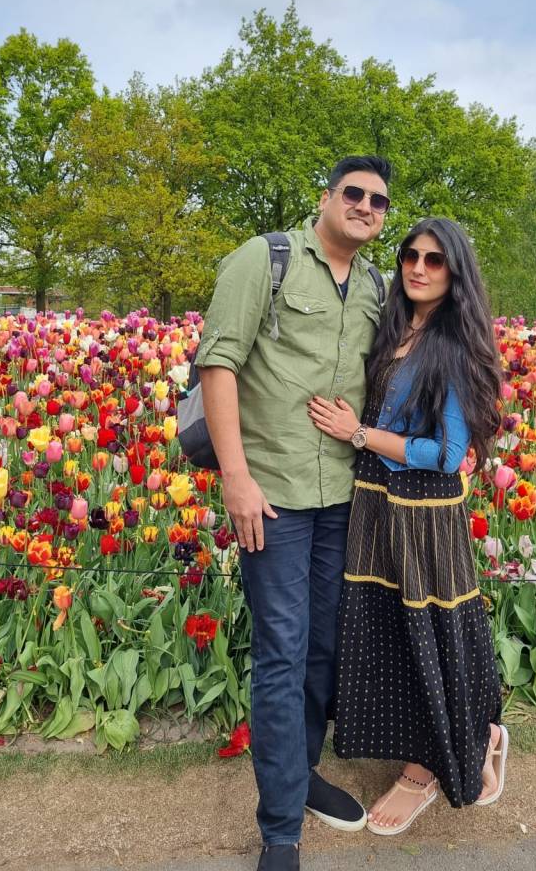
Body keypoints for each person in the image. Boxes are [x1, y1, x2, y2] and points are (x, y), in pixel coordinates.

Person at [196, 156, 392, 871]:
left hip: (341, 494)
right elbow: (218, 363)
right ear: (327, 197)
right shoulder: (267, 259)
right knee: (282, 651)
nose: (365, 206)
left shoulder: (375, 286)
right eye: (354, 193)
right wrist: (236, 479)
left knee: (323, 648)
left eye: (378, 201)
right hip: (272, 495)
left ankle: (301, 772)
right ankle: (280, 832)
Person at [308, 217, 507, 836]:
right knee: (390, 629)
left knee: (428, 630)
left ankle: (425, 770)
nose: (418, 268)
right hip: (376, 503)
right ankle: (480, 732)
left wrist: (359, 434)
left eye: (435, 260)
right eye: (410, 255)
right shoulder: (393, 328)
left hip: (424, 515)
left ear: (455, 273)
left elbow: (447, 454)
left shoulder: (452, 344)